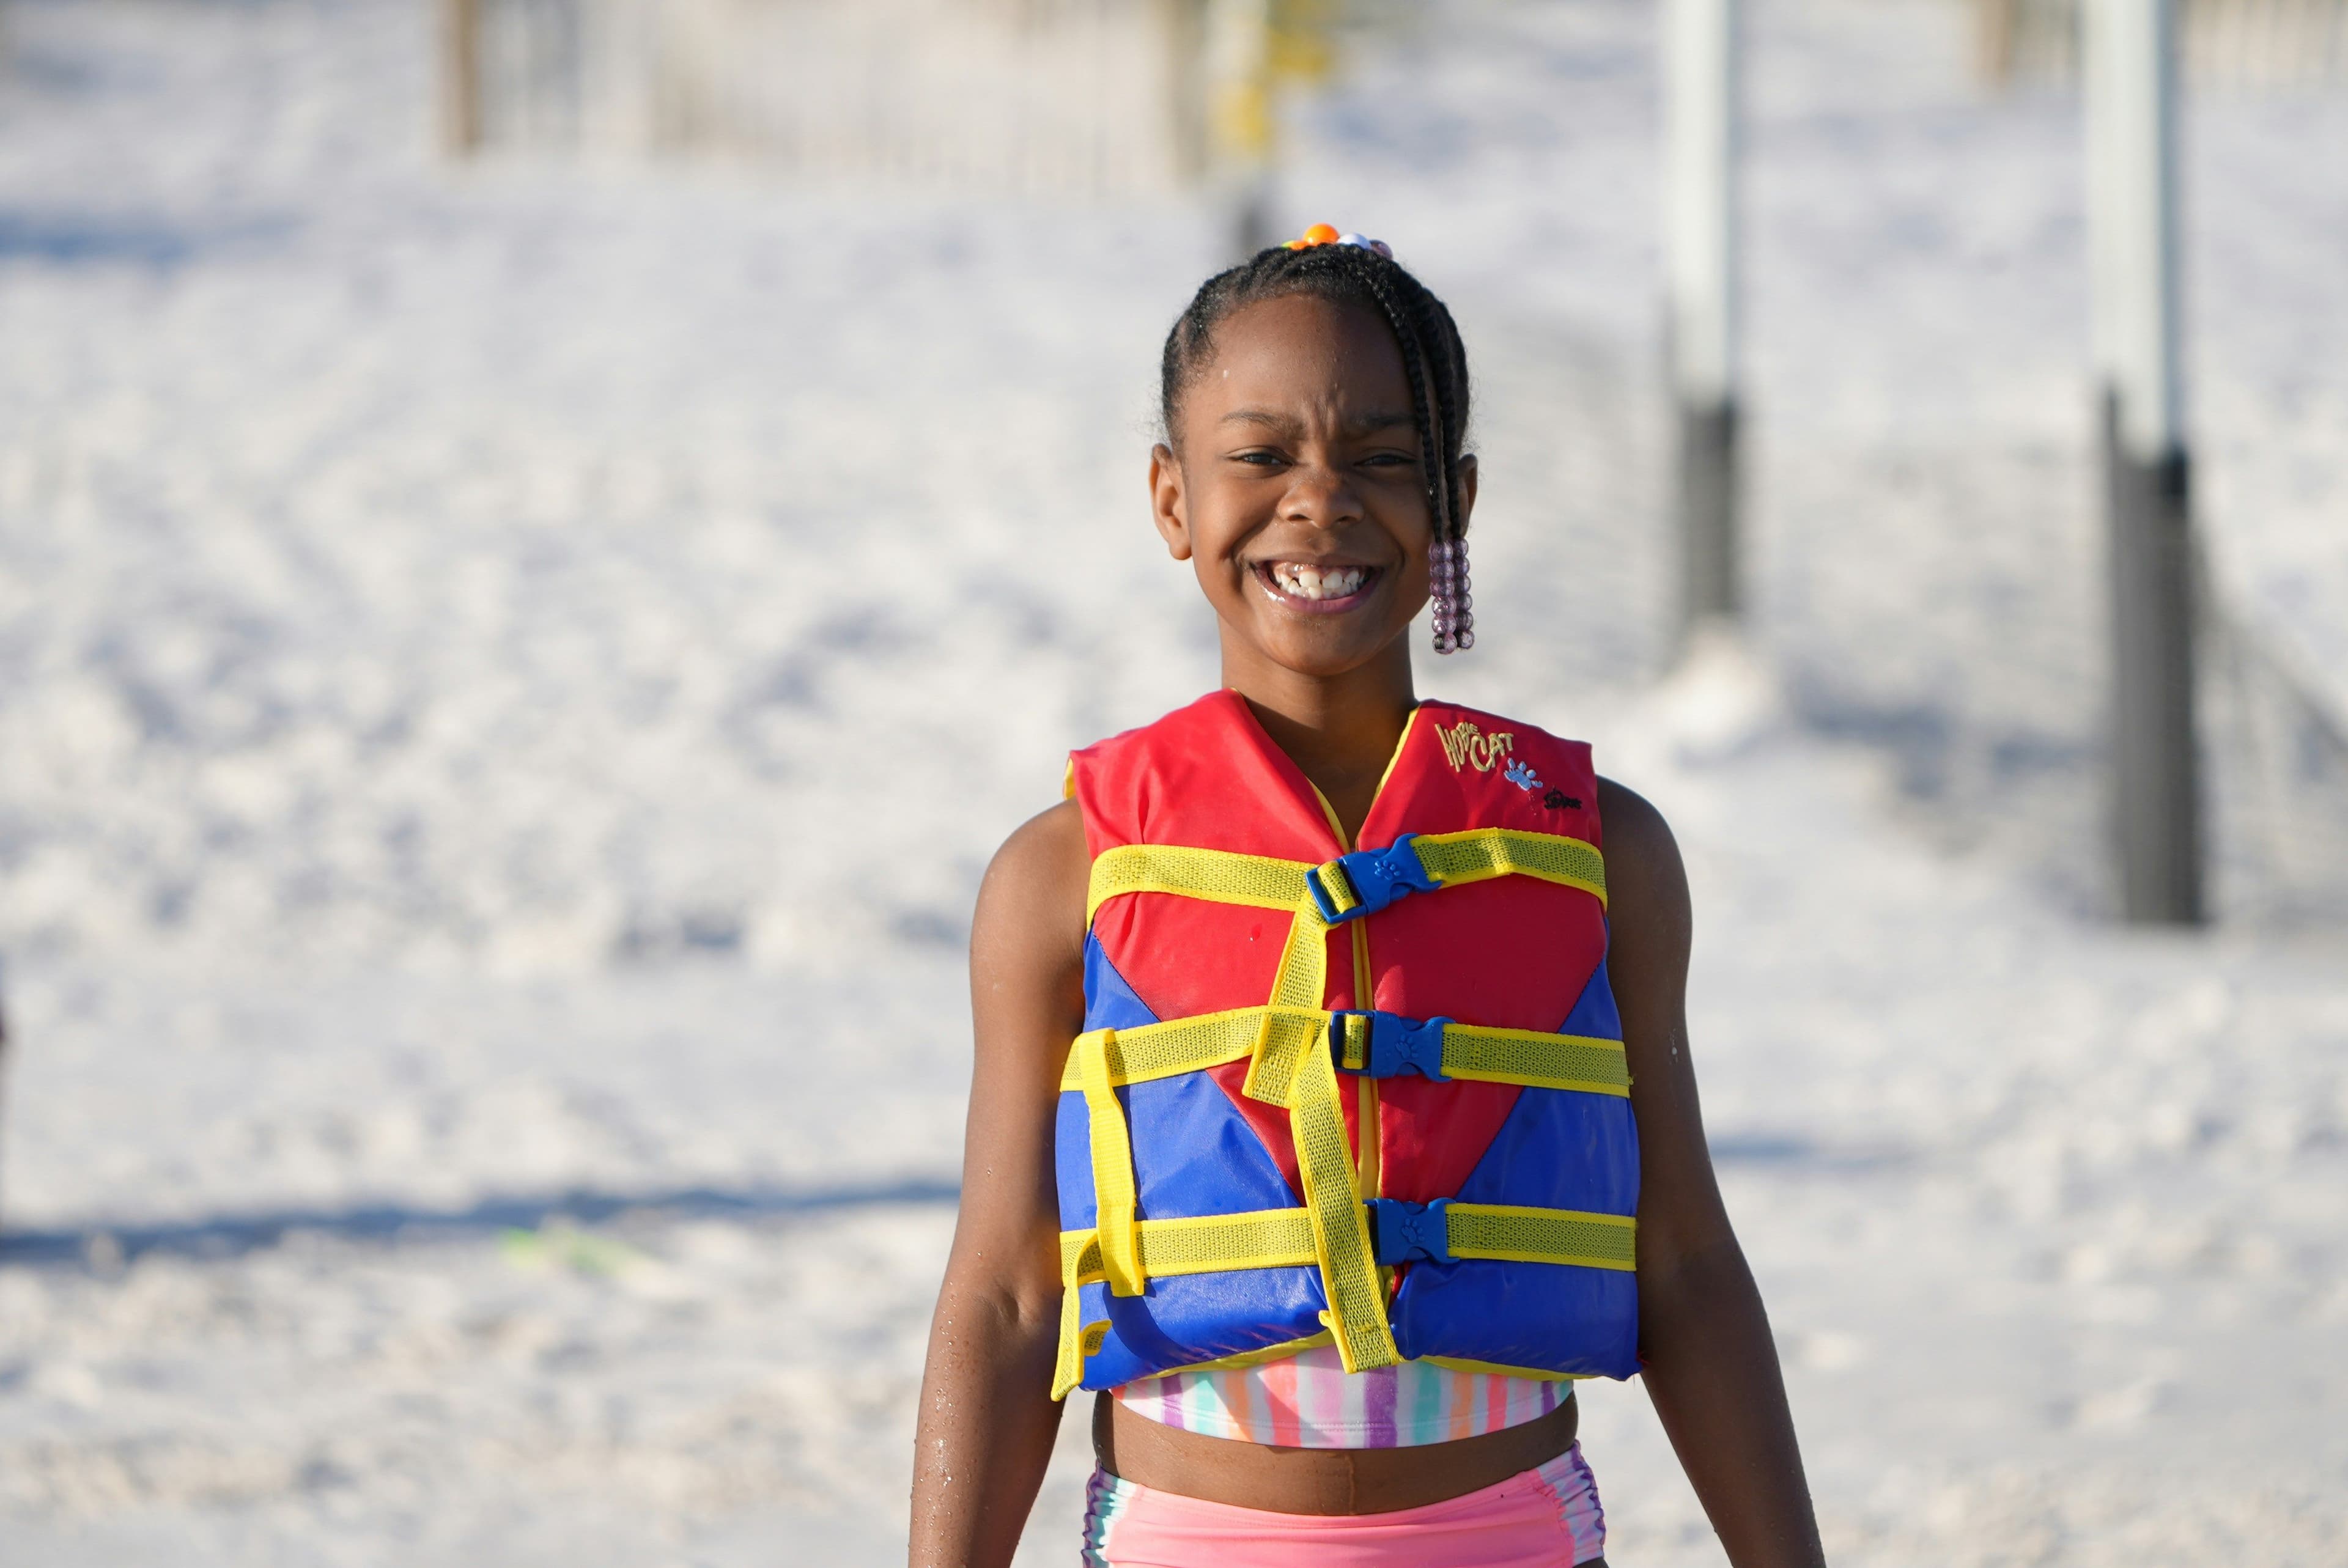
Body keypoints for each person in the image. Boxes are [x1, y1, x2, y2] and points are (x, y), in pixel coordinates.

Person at [910, 224, 1825, 1567]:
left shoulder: (1600, 853)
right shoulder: (1062, 873)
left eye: (1383, 460)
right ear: (1172, 497)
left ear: (1453, 498)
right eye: (1261, 454)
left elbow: (1684, 1260)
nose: (1321, 502)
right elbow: (1001, 1297)